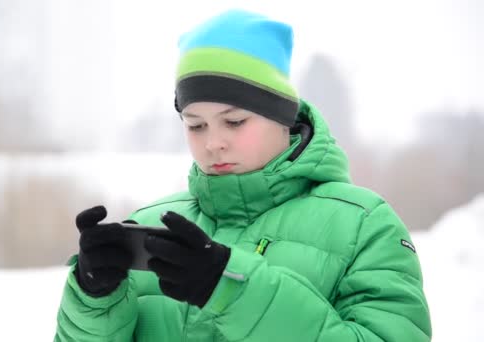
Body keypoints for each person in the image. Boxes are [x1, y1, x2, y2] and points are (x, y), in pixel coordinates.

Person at [54, 9, 431, 341]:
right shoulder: (154, 226)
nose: (213, 143)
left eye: (234, 121)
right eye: (196, 125)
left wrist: (231, 289)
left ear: (281, 117)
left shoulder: (364, 226)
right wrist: (93, 297)